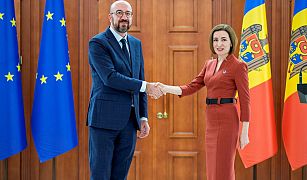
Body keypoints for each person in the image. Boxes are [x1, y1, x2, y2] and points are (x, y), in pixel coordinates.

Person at [157, 24, 250, 180]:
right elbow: (191, 87)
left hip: (227, 118)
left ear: (231, 42)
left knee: (224, 168)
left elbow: (246, 100)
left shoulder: (238, 66)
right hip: (211, 118)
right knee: (213, 167)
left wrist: (245, 132)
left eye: (223, 40)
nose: (219, 44)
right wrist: (164, 88)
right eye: (215, 40)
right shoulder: (209, 64)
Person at [87, 1, 162, 179]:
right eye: (119, 13)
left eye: (128, 14)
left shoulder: (136, 44)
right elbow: (110, 78)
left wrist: (143, 117)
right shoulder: (98, 43)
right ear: (110, 17)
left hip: (129, 122)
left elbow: (139, 78)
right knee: (101, 175)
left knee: (120, 175)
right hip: (103, 121)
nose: (124, 17)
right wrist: (147, 86)